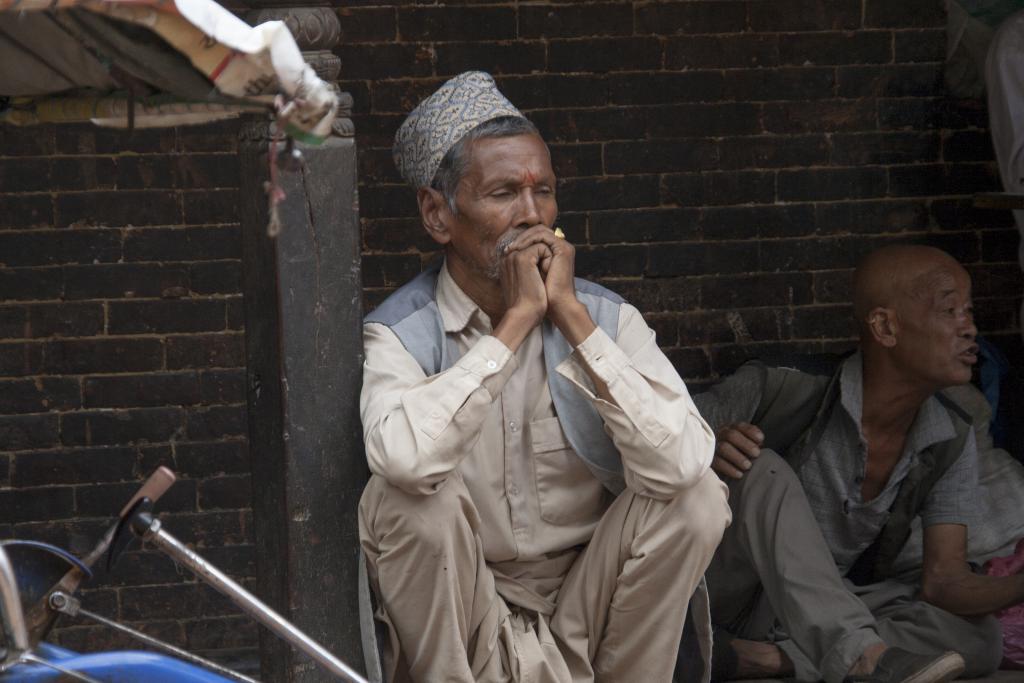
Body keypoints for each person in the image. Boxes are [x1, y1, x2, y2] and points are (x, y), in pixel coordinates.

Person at [357, 71, 730, 683]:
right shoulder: (399, 334)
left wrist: (575, 324)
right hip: (469, 611)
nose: (531, 216)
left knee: (696, 498)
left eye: (545, 192)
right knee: (408, 504)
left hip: (595, 606)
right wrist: (517, 322)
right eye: (504, 193)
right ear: (437, 214)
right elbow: (403, 465)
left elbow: (683, 462)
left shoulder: (607, 318)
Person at [693, 245, 1021, 683]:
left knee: (980, 639)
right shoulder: (780, 385)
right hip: (723, 594)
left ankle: (762, 659)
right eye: (950, 311)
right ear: (885, 326)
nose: (970, 329)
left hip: (821, 613)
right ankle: (861, 658)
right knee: (761, 465)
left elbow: (943, 582)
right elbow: (645, 438)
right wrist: (700, 449)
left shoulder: (950, 436)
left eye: (969, 310)